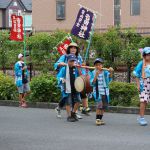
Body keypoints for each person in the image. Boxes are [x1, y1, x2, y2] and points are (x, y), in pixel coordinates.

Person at [54, 42, 90, 118]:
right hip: (65, 79)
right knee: (66, 96)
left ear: (77, 50)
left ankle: (74, 112)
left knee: (75, 96)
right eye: (71, 47)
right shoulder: (64, 56)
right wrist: (61, 64)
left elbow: (81, 70)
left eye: (75, 48)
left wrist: (82, 72)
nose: (73, 49)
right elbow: (56, 64)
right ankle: (60, 108)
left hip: (75, 79)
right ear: (69, 49)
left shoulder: (79, 57)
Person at [57, 54, 81, 122]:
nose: (72, 62)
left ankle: (73, 113)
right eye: (71, 61)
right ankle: (69, 116)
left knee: (78, 100)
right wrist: (62, 79)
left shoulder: (75, 68)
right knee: (68, 102)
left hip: (75, 87)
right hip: (67, 87)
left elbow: (80, 75)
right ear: (67, 61)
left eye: (73, 61)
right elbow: (59, 77)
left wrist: (79, 69)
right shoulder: (64, 68)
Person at [90, 58, 113, 126]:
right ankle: (97, 119)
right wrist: (96, 75)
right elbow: (92, 83)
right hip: (97, 92)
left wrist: (111, 71)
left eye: (100, 64)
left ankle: (100, 119)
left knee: (103, 106)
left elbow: (110, 78)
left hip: (105, 91)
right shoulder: (93, 72)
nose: (98, 66)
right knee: (99, 105)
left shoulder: (105, 72)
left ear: (102, 65)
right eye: (96, 65)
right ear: (94, 66)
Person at [133, 47, 150, 126]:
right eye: (147, 54)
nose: (149, 56)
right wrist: (138, 85)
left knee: (146, 101)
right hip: (144, 84)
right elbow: (136, 74)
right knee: (143, 101)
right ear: (144, 55)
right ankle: (141, 118)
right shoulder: (141, 63)